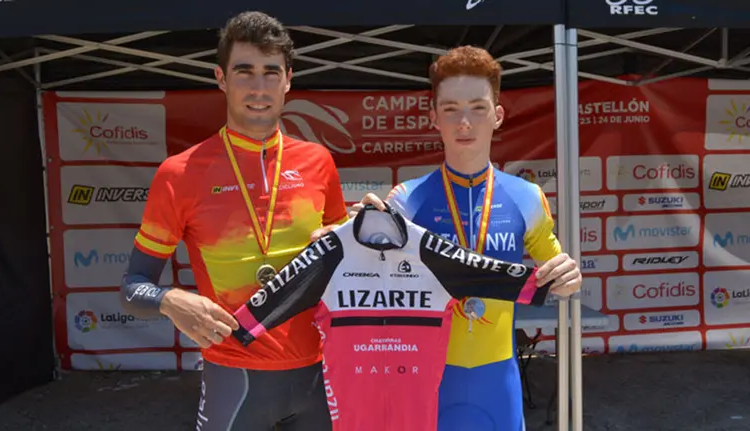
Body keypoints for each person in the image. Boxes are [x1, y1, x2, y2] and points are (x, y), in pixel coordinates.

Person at [119, 11, 351, 431]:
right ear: (221, 78)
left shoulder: (319, 163)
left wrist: (352, 240)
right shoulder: (179, 173)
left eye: (270, 72)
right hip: (234, 376)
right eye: (244, 72)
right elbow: (133, 286)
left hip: (318, 375)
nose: (259, 88)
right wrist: (170, 300)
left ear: (288, 80)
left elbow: (341, 260)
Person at [339, 46, 583, 431]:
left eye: (477, 108)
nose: (464, 122)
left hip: (498, 378)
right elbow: (368, 279)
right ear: (434, 117)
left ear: (498, 115)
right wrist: (357, 239)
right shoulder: (405, 200)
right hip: (427, 379)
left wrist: (569, 276)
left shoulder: (526, 198)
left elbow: (560, 278)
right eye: (451, 109)